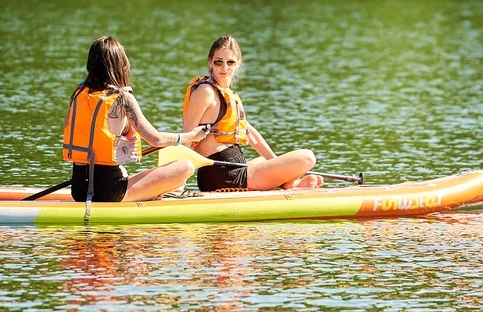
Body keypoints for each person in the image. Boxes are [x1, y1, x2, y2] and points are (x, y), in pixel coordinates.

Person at [63, 36, 210, 203]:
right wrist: (192, 135)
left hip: (79, 189)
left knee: (123, 171)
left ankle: (151, 191)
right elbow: (156, 139)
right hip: (110, 192)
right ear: (120, 65)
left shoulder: (79, 95)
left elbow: (67, 126)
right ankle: (153, 193)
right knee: (186, 166)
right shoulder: (123, 98)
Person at [180, 35, 322, 192]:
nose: (224, 67)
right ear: (210, 62)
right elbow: (187, 136)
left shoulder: (227, 94)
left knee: (267, 160)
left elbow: (249, 132)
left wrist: (277, 163)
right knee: (307, 157)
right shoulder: (205, 92)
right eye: (219, 62)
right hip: (222, 176)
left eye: (230, 62)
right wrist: (178, 184)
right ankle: (290, 184)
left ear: (238, 64)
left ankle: (288, 182)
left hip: (235, 170)